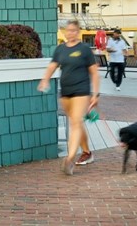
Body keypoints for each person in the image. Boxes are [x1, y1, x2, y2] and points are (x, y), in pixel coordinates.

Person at [38, 19, 100, 174]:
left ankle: (70, 159)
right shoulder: (60, 49)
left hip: (82, 91)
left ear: (78, 32)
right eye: (68, 30)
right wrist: (45, 80)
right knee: (76, 122)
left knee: (76, 123)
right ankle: (87, 152)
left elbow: (94, 72)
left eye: (73, 30)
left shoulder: (85, 49)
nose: (70, 33)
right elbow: (52, 66)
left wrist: (95, 94)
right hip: (66, 92)